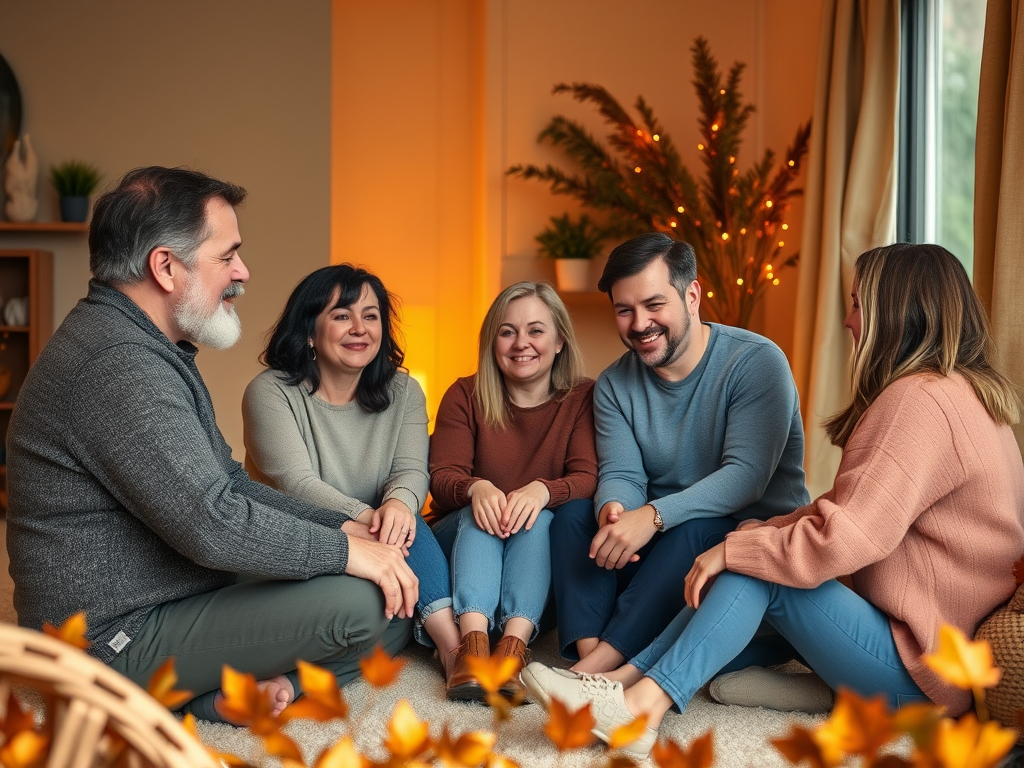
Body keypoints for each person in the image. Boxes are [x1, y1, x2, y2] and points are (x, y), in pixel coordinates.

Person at [522, 242, 1024, 758]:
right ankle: (620, 679)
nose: (849, 321)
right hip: (939, 656)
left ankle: (638, 707)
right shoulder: (957, 393)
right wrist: (752, 537)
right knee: (747, 548)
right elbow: (845, 509)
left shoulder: (919, 402)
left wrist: (738, 550)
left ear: (896, 311)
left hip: (925, 673)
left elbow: (845, 535)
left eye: (857, 304)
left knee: (756, 568)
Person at [5, 166, 417, 723]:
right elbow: (214, 524)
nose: (243, 272)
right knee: (367, 602)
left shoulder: (147, 345)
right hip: (106, 637)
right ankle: (192, 699)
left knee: (395, 597)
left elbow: (227, 485)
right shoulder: (118, 365)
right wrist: (348, 553)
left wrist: (339, 528)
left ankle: (237, 695)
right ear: (166, 267)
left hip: (171, 585)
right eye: (227, 256)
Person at [551, 232, 809, 674]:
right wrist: (615, 512)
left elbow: (746, 478)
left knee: (698, 530)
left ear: (692, 295)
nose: (639, 324)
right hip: (661, 553)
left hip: (737, 544)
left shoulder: (757, 362)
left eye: (654, 305)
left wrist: (650, 516)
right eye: (624, 310)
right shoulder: (614, 384)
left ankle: (595, 671)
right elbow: (623, 473)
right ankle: (593, 653)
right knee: (575, 517)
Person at [242, 264, 461, 681]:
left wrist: (397, 504)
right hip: (303, 541)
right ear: (309, 331)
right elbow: (295, 482)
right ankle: (452, 648)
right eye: (342, 315)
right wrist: (371, 519)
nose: (360, 328)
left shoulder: (404, 390)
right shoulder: (269, 392)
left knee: (408, 528)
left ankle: (453, 650)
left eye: (371, 315)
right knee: (383, 605)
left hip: (389, 541)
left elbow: (412, 470)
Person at [428, 281, 598, 702]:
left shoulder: (582, 397)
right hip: (464, 539)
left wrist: (543, 490)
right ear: (492, 341)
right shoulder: (464, 394)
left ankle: (512, 651)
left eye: (536, 331)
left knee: (539, 515)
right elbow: (441, 477)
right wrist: (477, 488)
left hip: (534, 555)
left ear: (559, 340)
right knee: (481, 513)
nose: (521, 343)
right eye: (507, 331)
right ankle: (472, 648)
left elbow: (589, 476)